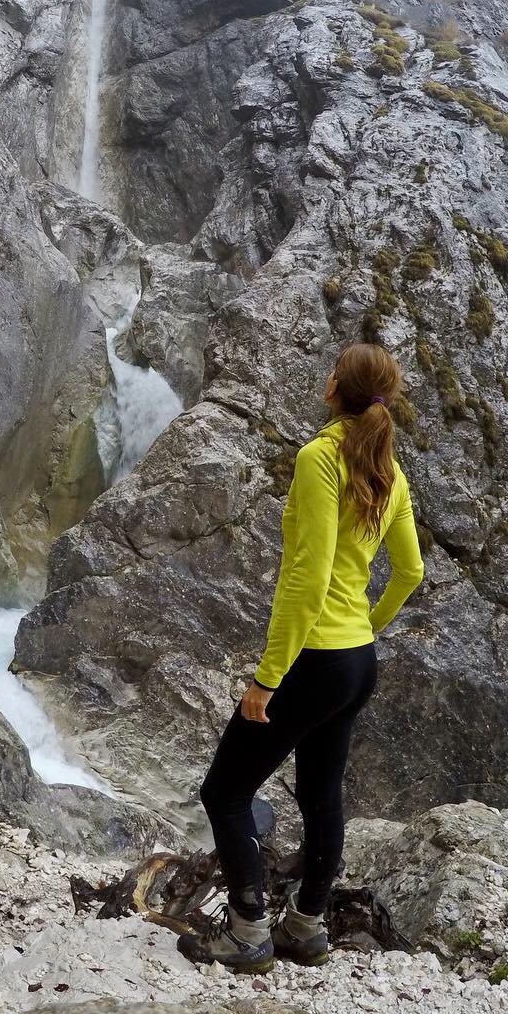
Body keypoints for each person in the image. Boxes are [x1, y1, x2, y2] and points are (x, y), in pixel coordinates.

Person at [178, 343, 425, 973]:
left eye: (333, 370)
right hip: (356, 663)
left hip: (313, 661)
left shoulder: (322, 459)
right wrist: (365, 629)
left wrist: (268, 677)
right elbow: (411, 572)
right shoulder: (389, 474)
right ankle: (307, 926)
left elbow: (307, 579)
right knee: (322, 794)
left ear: (335, 388)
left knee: (226, 793)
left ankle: (246, 931)